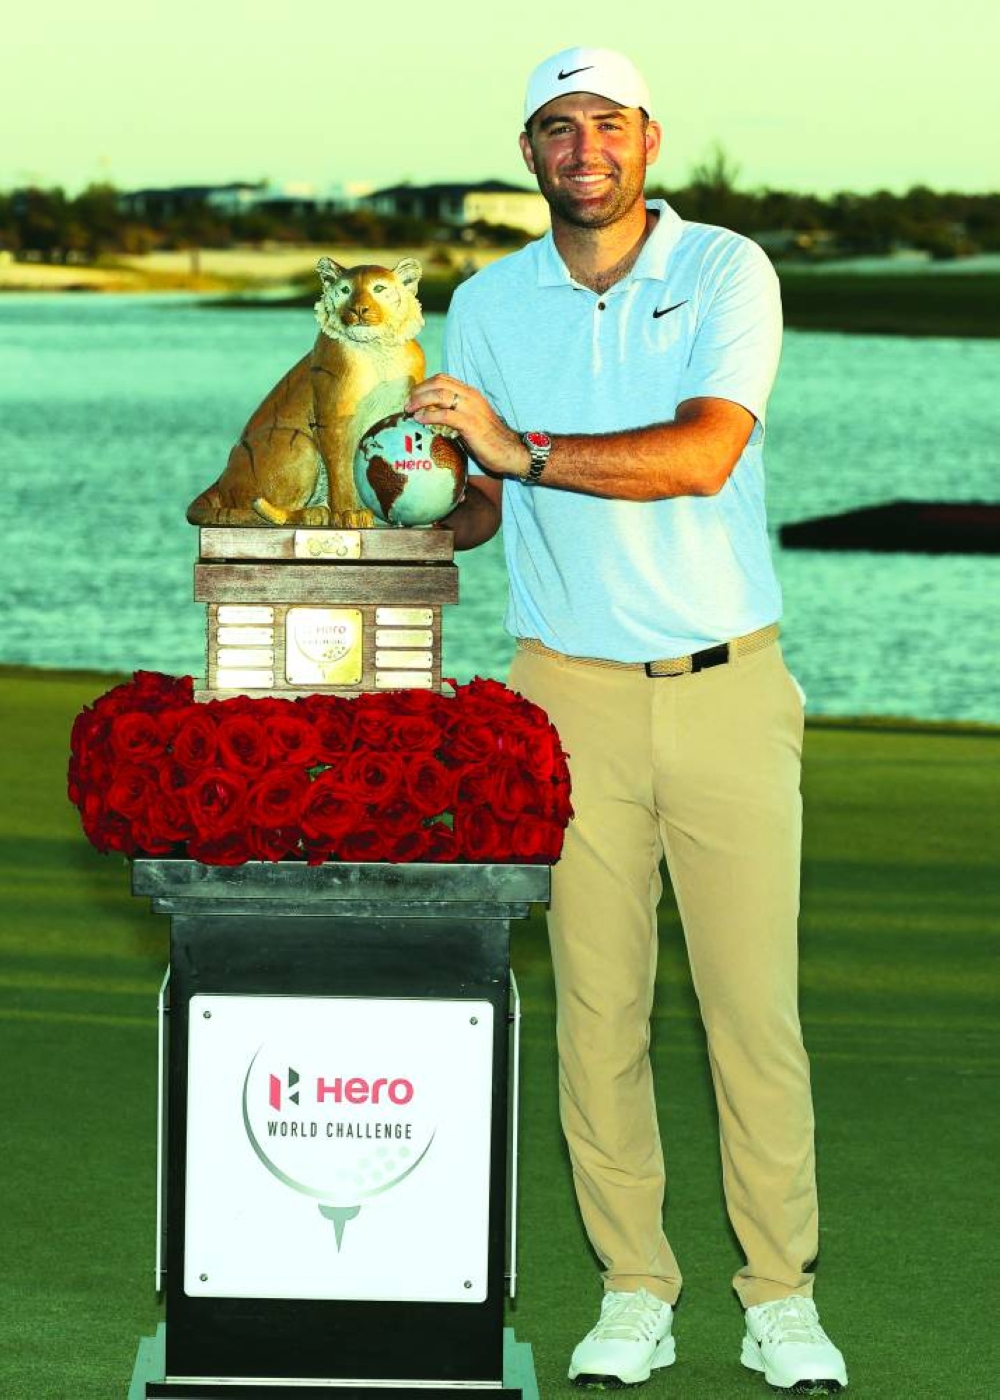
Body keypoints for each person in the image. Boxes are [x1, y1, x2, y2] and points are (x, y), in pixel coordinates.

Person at [406, 45, 848, 1394]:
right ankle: (633, 1285)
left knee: (748, 1013)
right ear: (529, 152)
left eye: (605, 122)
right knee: (597, 1010)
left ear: (649, 139)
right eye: (554, 127)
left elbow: (703, 451)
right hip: (567, 697)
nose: (580, 147)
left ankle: (779, 1296)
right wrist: (415, 488)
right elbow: (483, 504)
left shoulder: (723, 271)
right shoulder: (487, 301)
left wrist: (518, 450)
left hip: (725, 687)